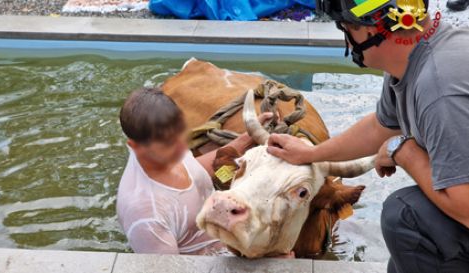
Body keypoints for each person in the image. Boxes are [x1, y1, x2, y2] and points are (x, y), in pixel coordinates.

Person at [266, 0, 469, 272]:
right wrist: (310, 154)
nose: (348, 42)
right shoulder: (413, 59)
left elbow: (466, 208)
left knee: (406, 216)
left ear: (373, 31)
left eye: (347, 28)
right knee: (400, 263)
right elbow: (380, 127)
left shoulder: (439, 89)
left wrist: (403, 151)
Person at [116, 87, 273, 255]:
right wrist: (274, 267)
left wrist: (247, 138)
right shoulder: (146, 216)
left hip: (230, 238)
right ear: (134, 146)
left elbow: (194, 168)